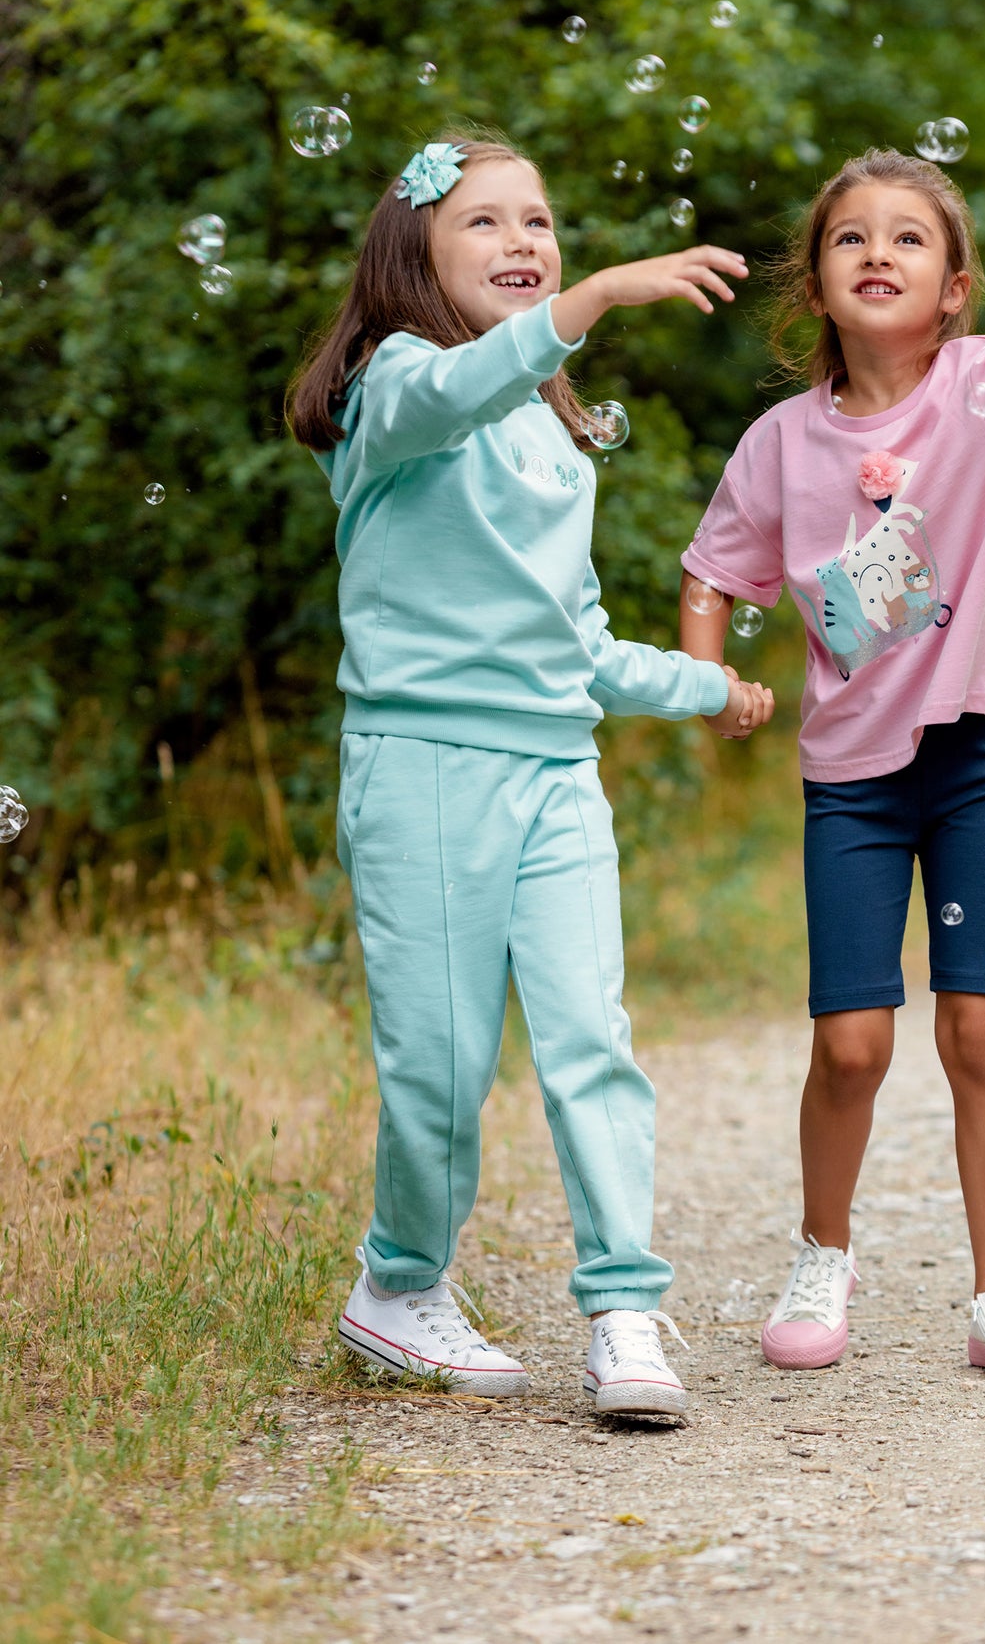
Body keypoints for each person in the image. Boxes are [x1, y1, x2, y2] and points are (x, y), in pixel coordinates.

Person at [286, 129, 773, 1414]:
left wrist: (705, 685)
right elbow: (448, 395)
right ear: (415, 256)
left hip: (555, 770)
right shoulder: (392, 389)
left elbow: (575, 637)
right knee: (440, 1062)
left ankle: (623, 1308)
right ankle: (396, 1289)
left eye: (540, 223)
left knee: (589, 1044)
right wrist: (595, 296)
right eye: (485, 223)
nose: (523, 243)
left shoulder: (552, 431)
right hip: (424, 767)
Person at [679, 146, 985, 1376]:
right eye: (849, 238)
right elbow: (714, 570)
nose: (877, 252)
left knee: (979, 1028)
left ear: (953, 290)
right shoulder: (779, 442)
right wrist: (710, 676)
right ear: (814, 285)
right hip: (851, 785)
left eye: (908, 238)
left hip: (974, 756)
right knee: (851, 1043)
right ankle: (822, 1254)